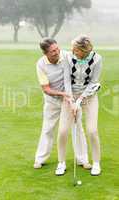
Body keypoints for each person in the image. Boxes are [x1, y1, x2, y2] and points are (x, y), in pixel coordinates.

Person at [33, 38, 91, 175]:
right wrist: (62, 94)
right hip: (52, 101)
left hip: (70, 100)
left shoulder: (66, 56)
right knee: (48, 128)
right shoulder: (41, 64)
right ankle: (40, 159)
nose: (57, 52)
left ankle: (82, 159)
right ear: (45, 53)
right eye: (53, 51)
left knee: (77, 127)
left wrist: (71, 97)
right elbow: (46, 88)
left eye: (57, 48)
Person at [64, 35, 102, 175]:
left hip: (89, 97)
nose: (73, 51)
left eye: (76, 49)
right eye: (73, 49)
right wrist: (71, 100)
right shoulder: (68, 57)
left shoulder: (97, 59)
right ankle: (82, 158)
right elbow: (67, 80)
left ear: (84, 50)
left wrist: (80, 100)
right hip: (71, 96)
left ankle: (96, 163)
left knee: (92, 130)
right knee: (75, 127)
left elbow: (93, 82)